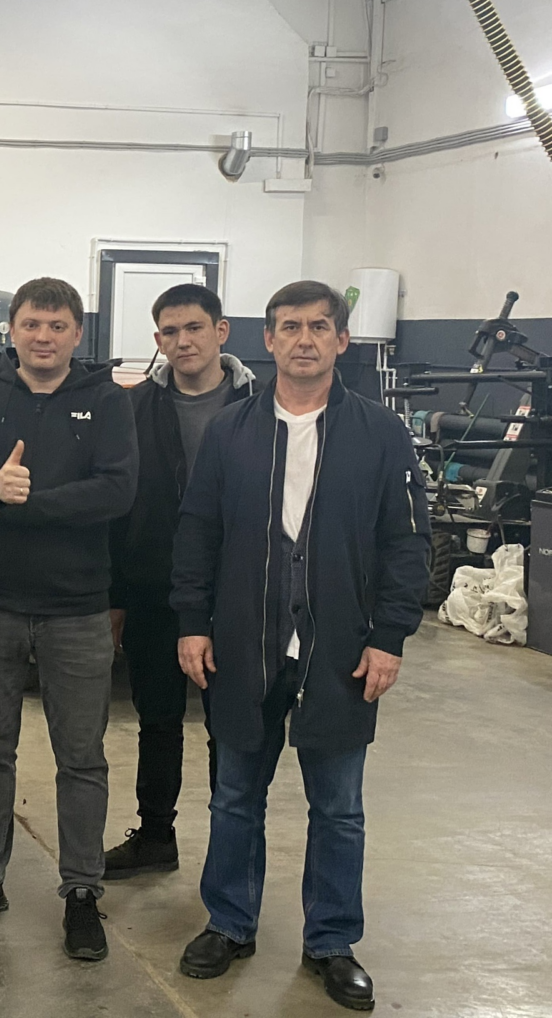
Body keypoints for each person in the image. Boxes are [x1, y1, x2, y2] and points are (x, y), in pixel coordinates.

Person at [171, 281, 429, 1011]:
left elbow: (408, 541)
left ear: (342, 340)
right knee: (234, 797)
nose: (305, 339)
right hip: (243, 642)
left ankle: (332, 942)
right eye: (290, 327)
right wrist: (192, 620)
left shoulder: (381, 434)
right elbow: (197, 530)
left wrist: (389, 637)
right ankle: (229, 923)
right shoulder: (231, 430)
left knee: (339, 808)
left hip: (341, 647)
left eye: (320, 326)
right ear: (269, 339)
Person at [0, 277, 136, 964]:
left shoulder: (107, 401)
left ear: (77, 333)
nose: (43, 337)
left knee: (82, 756)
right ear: (9, 329)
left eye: (57, 325)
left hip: (77, 607)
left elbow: (117, 489)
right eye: (32, 325)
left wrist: (20, 502)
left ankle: (82, 892)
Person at [104, 283, 255, 879]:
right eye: (170, 331)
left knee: (231, 727)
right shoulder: (135, 408)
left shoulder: (262, 407)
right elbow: (119, 509)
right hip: (155, 590)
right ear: (158, 339)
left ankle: (230, 847)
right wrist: (117, 597)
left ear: (221, 331)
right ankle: (155, 836)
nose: (183, 341)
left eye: (194, 328)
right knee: (158, 719)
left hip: (241, 594)